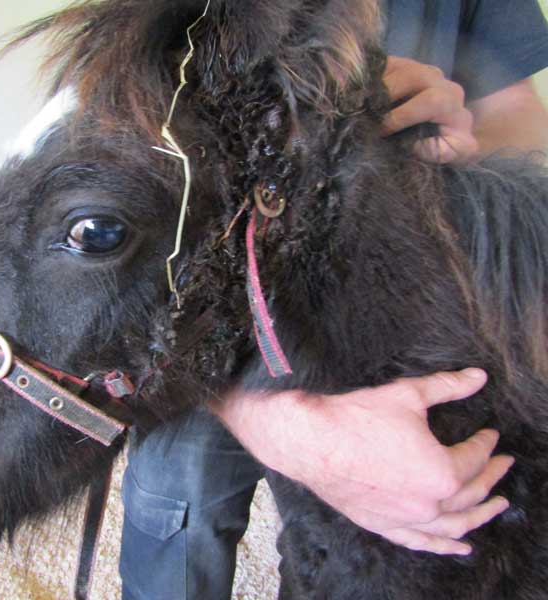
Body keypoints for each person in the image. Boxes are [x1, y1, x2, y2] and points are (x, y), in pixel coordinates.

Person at [119, 2, 548, 599]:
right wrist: (274, 421)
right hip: (212, 308)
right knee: (181, 490)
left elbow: (518, 117)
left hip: (392, 296)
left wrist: (461, 152)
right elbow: (129, 185)